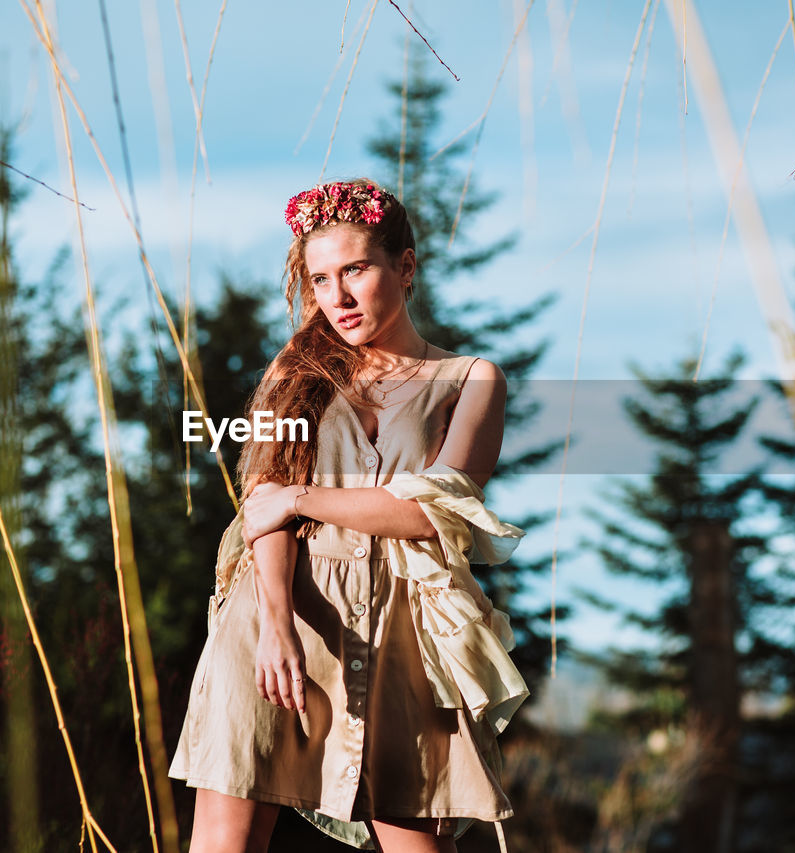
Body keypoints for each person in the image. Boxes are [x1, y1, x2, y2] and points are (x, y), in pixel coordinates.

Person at [169, 179, 528, 852]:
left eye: (355, 270)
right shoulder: (295, 370)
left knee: (418, 842)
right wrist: (276, 622)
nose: (337, 296)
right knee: (225, 840)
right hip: (280, 618)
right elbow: (261, 510)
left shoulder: (471, 379)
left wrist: (301, 498)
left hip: (405, 635)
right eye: (321, 278)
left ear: (406, 266)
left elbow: (431, 513)